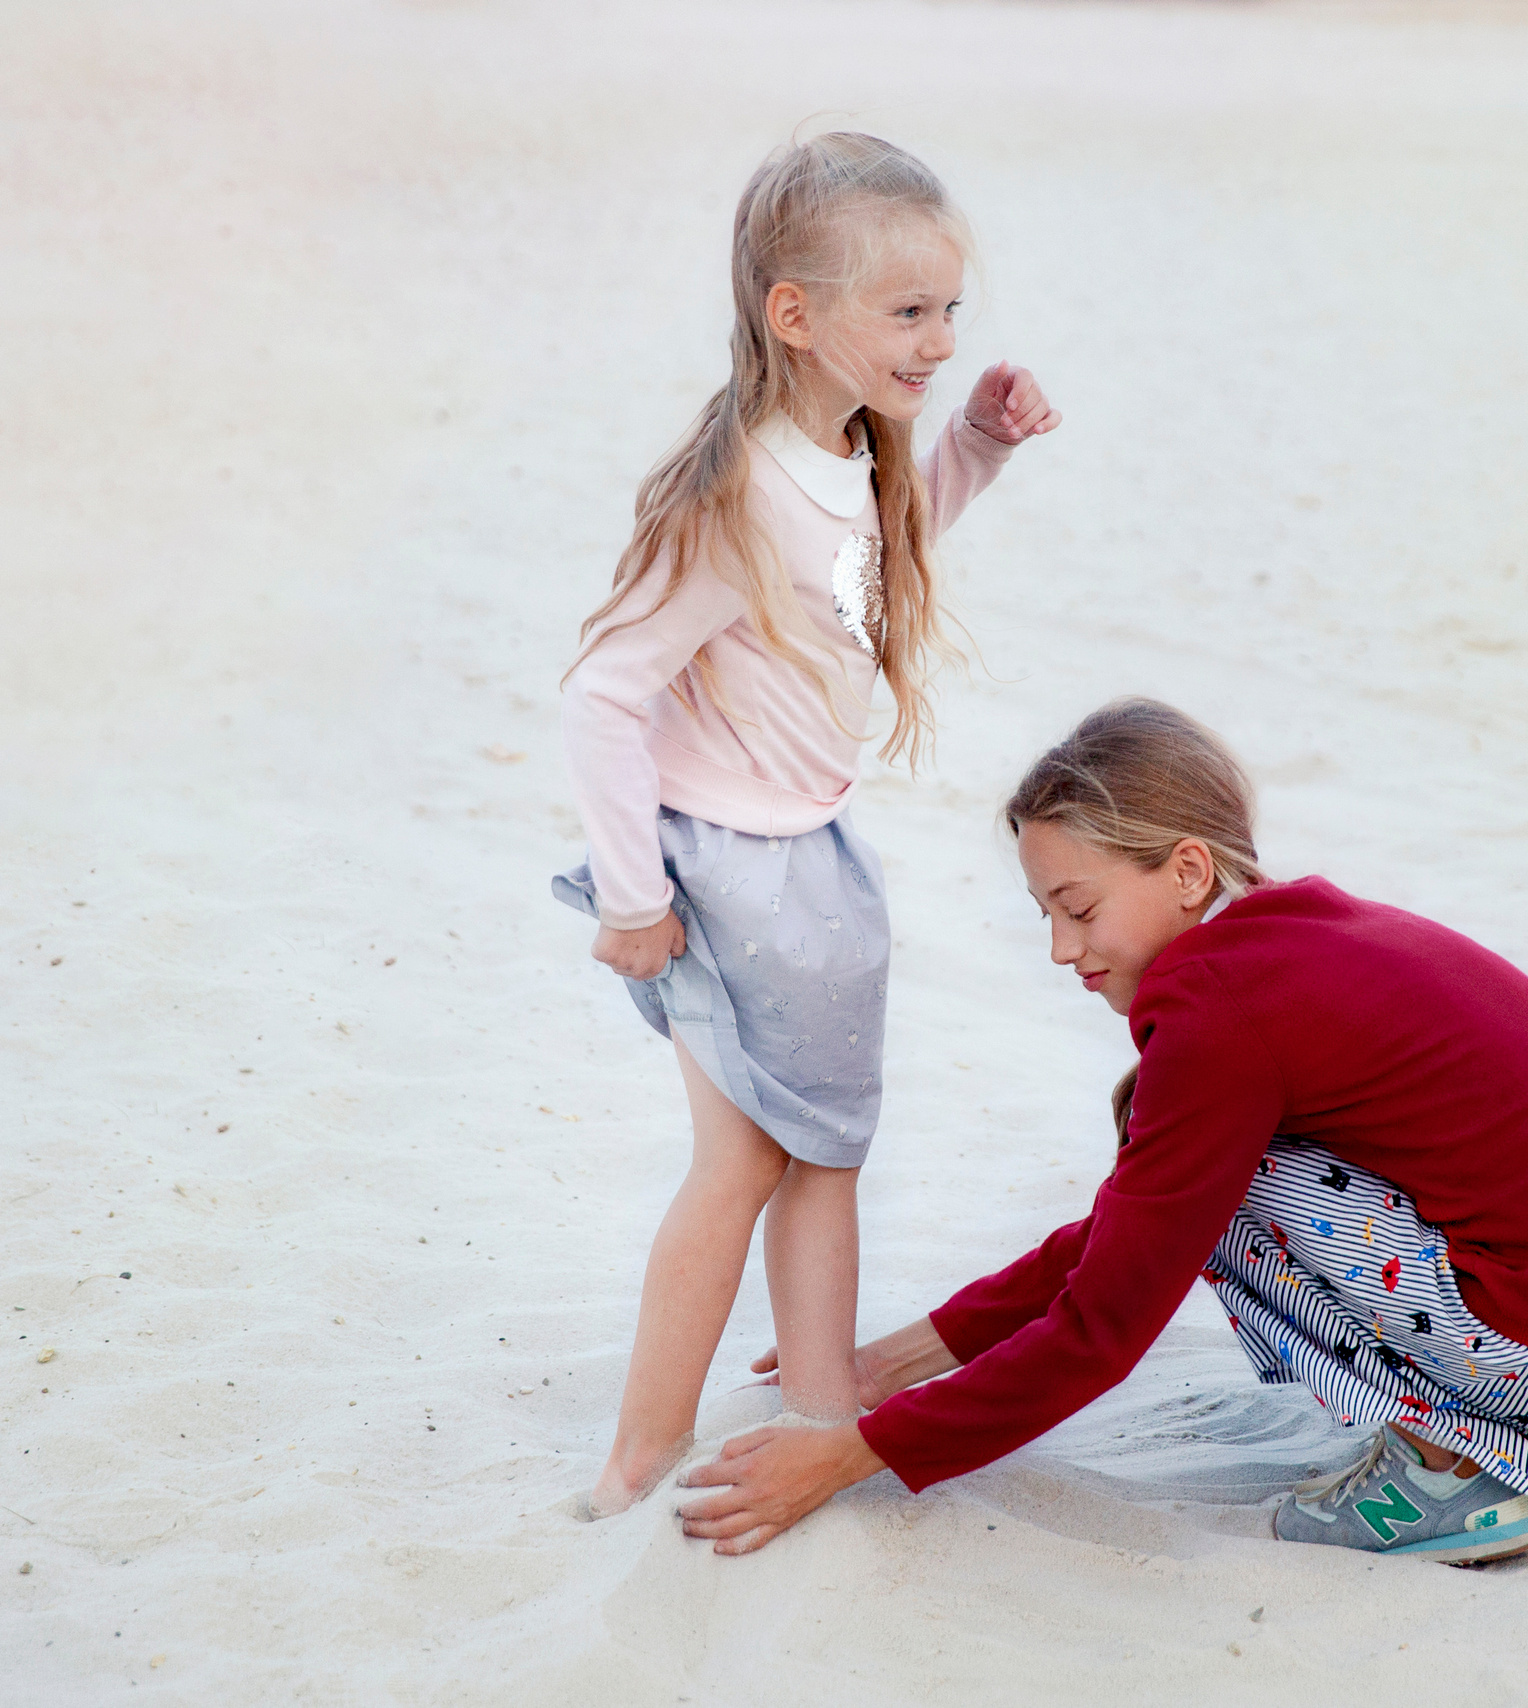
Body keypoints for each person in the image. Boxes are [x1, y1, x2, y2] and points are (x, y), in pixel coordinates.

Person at [676, 699, 1528, 1561]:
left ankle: (1461, 1480)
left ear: (1187, 868)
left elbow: (1109, 1318)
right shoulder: (1300, 934)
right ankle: (1471, 1446)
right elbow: (1137, 1216)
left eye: (1076, 906)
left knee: (1232, 1194)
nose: (1058, 949)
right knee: (1213, 1180)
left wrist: (853, 1451)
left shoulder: (1222, 1019)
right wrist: (913, 1350)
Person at [552, 132, 1062, 1518]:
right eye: (909, 313)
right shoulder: (736, 493)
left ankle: (822, 1419)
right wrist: (631, 898)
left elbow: (872, 573)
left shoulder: (858, 451)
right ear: (796, 314)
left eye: (951, 310)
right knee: (745, 1162)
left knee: (824, 1152)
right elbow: (603, 694)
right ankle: (634, 1463)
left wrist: (975, 448)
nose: (943, 338)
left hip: (811, 862)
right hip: (723, 868)